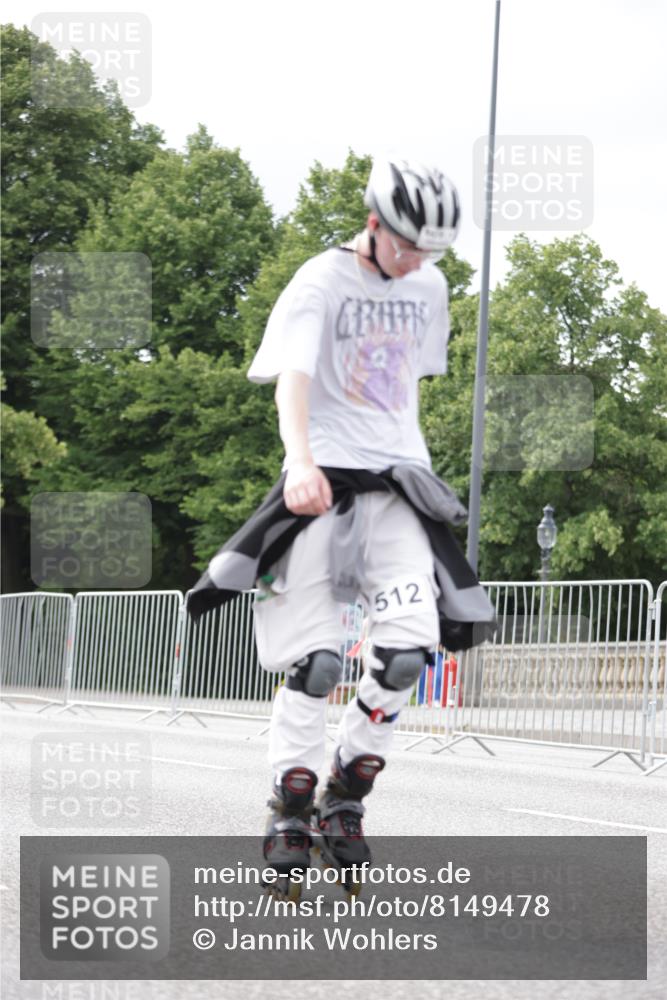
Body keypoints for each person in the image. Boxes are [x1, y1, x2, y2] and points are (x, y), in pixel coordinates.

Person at [186, 157, 496, 895]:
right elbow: (293, 379)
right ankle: (290, 806)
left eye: (431, 249)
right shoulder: (320, 281)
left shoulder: (428, 286)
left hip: (396, 492)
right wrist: (300, 460)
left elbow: (398, 388)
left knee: (405, 654)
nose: (416, 259)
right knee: (318, 663)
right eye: (405, 245)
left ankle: (346, 788)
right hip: (320, 489)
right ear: (372, 224)